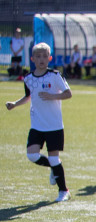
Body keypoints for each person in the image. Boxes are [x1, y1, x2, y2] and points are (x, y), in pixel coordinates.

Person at [5, 42, 73, 202]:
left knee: (55, 158)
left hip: (54, 125)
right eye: (38, 56)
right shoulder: (28, 78)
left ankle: (64, 191)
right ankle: (52, 167)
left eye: (44, 56)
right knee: (32, 155)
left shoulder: (55, 75)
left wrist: (53, 96)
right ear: (32, 59)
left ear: (49, 58)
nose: (41, 59)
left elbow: (68, 94)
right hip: (37, 125)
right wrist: (15, 104)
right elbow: (28, 96)